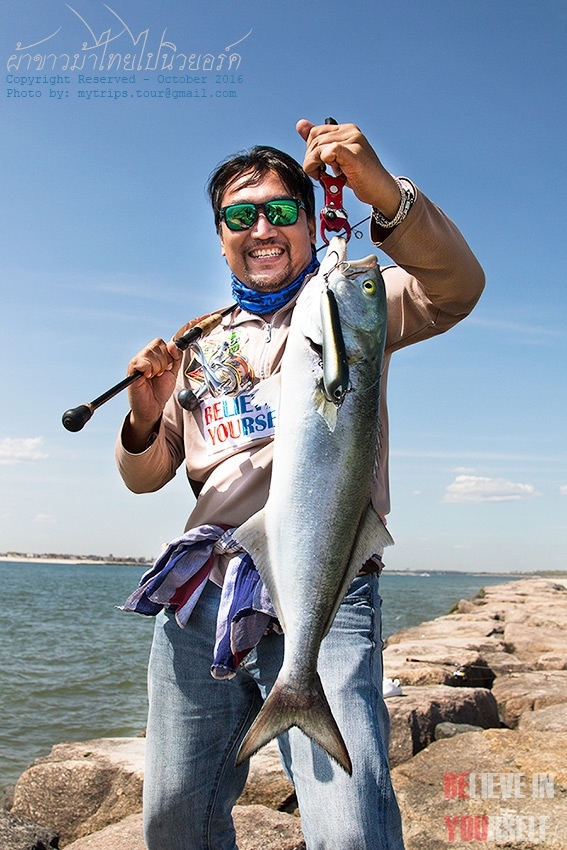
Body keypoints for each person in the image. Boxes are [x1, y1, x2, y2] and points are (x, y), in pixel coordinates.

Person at [115, 119, 485, 850]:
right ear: (218, 233)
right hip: (204, 589)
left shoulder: (355, 303)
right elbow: (148, 475)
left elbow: (455, 286)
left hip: (325, 582)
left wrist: (382, 191)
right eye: (239, 215)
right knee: (174, 822)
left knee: (347, 828)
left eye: (282, 211)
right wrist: (142, 416)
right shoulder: (198, 341)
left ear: (312, 223)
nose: (261, 228)